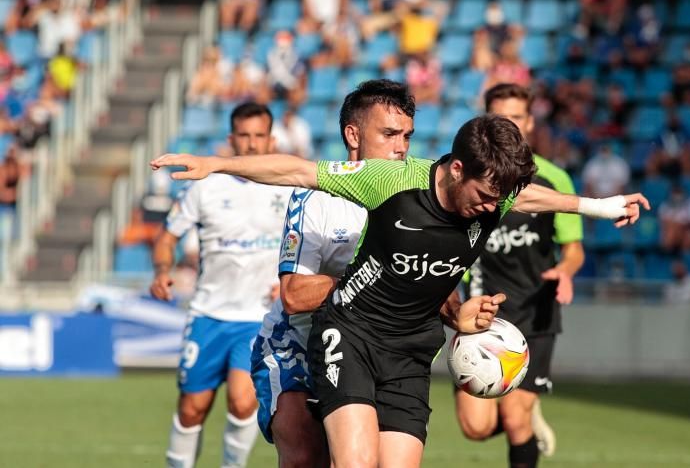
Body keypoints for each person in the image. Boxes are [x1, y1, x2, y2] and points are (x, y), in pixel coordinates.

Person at [150, 116, 649, 468]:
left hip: (412, 352)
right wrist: (215, 164)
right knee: (355, 463)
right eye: (484, 195)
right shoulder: (392, 180)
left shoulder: (494, 197)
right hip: (351, 336)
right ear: (457, 170)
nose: (491, 208)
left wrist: (599, 208)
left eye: (501, 200)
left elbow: (532, 197)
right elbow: (299, 171)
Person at [252, 79, 419, 467]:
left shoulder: (417, 195)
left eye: (407, 137)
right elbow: (293, 295)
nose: (401, 148)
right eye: (390, 134)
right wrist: (371, 281)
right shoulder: (317, 196)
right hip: (297, 340)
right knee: (305, 454)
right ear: (353, 135)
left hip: (374, 348)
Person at [149, 103, 293, 468]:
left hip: (258, 317)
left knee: (243, 401)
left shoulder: (288, 188)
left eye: (259, 135)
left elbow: (307, 242)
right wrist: (163, 269)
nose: (251, 143)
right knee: (192, 408)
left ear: (271, 139)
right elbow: (167, 237)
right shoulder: (206, 187)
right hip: (208, 313)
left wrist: (291, 281)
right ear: (231, 139)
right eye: (244, 135)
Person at [455, 84, 585, 466]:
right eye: (499, 117)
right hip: (483, 312)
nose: (508, 123)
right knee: (475, 427)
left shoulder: (553, 179)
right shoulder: (467, 175)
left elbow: (573, 248)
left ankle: (523, 414)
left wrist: (565, 271)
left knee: (514, 419)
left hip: (535, 312)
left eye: (516, 116)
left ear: (529, 121)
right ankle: (527, 414)